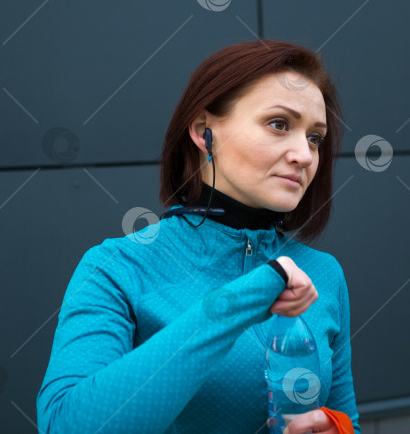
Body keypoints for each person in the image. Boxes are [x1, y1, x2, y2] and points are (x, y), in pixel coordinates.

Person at [36, 39, 360, 433]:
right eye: (279, 124)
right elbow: (67, 425)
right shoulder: (118, 268)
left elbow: (348, 419)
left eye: (315, 137)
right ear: (204, 131)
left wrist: (333, 428)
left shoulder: (324, 273)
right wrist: (245, 298)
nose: (305, 155)